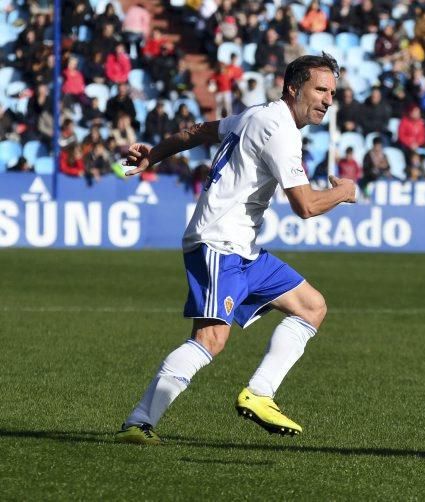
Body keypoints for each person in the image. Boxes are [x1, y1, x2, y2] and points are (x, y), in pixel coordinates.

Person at [115, 54, 357, 445]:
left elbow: (198, 131)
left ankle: (260, 393)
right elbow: (306, 206)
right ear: (293, 89)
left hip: (243, 248)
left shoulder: (256, 115)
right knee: (210, 339)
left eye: (332, 92)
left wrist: (153, 154)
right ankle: (139, 421)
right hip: (217, 243)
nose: (329, 99)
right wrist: (344, 192)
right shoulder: (279, 129)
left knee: (311, 306)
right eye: (320, 90)